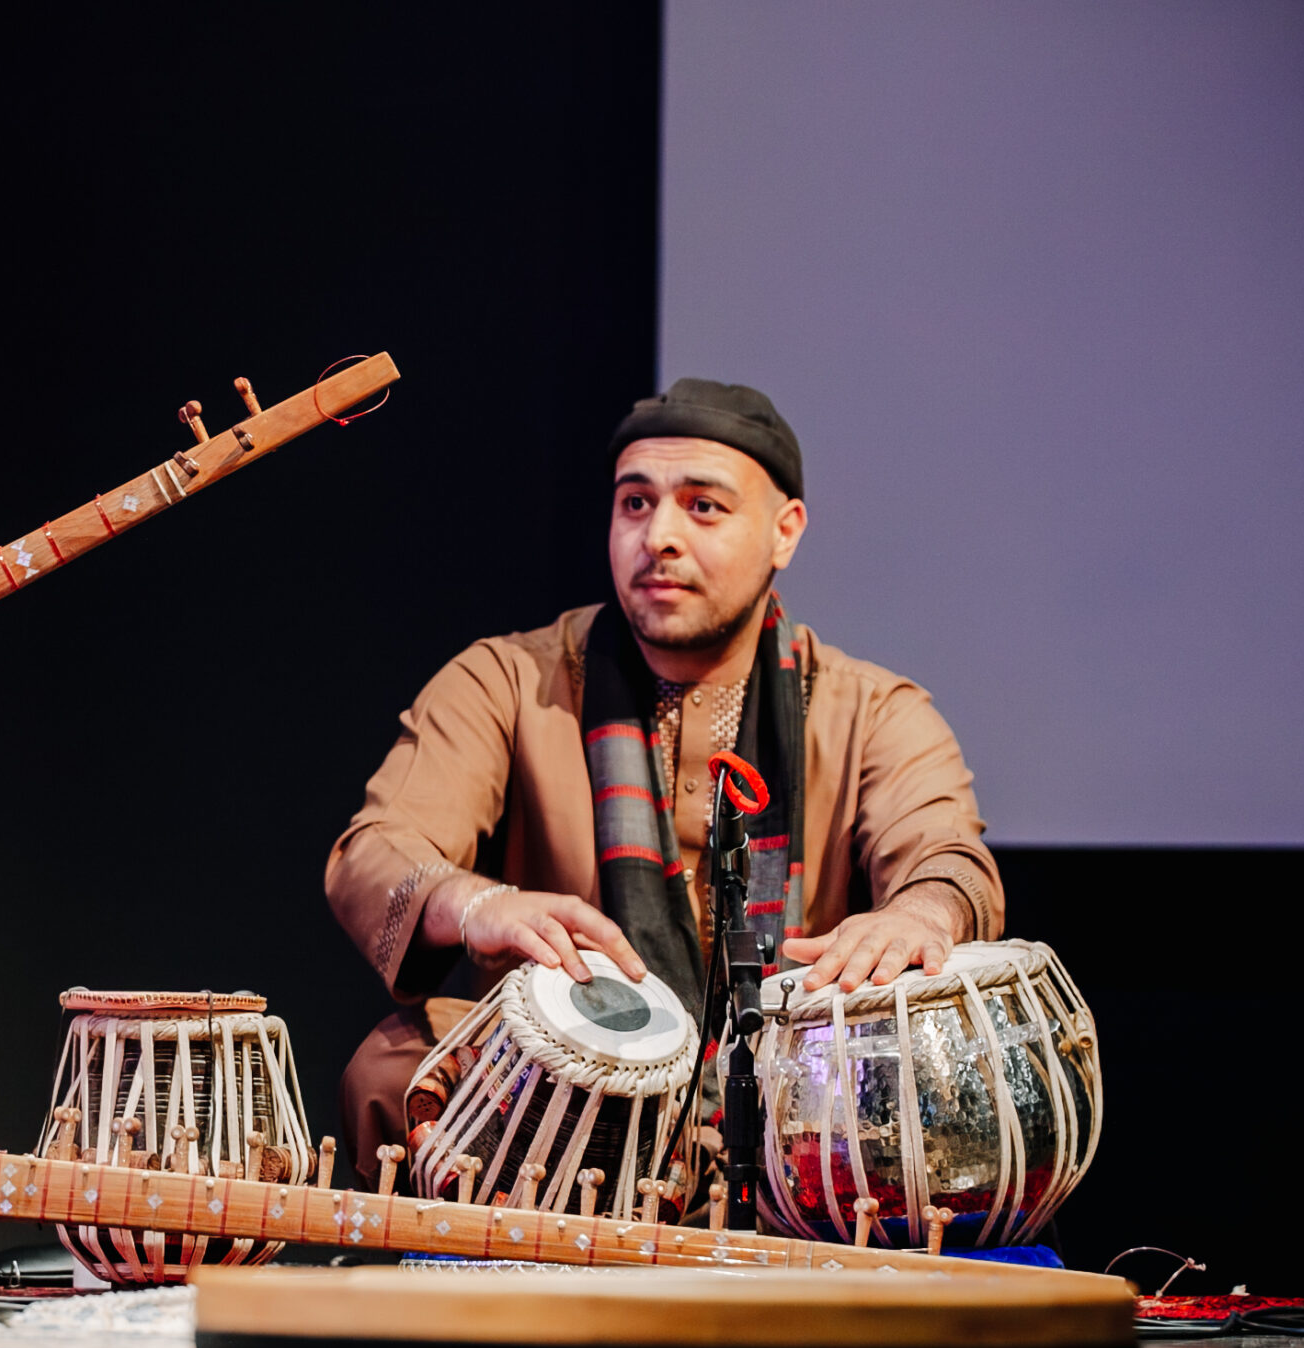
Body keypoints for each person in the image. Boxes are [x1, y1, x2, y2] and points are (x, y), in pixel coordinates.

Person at [325, 378, 1002, 1168]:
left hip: (798, 1097)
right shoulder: (510, 681)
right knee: (392, 1069)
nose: (660, 537)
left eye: (703, 506)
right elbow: (378, 849)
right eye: (636, 503)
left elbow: (945, 854)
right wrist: (478, 903)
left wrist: (919, 913)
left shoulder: (870, 710)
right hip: (566, 1089)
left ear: (784, 531)